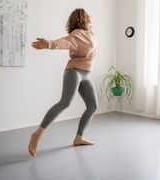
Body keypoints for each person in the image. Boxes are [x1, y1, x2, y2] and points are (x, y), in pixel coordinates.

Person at [28, 8, 97, 157]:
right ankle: (37, 134)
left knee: (92, 106)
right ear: (81, 18)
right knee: (65, 102)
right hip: (74, 72)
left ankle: (79, 138)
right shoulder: (77, 34)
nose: (90, 16)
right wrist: (49, 44)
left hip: (86, 74)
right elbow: (65, 42)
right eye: (87, 14)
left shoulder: (89, 31)